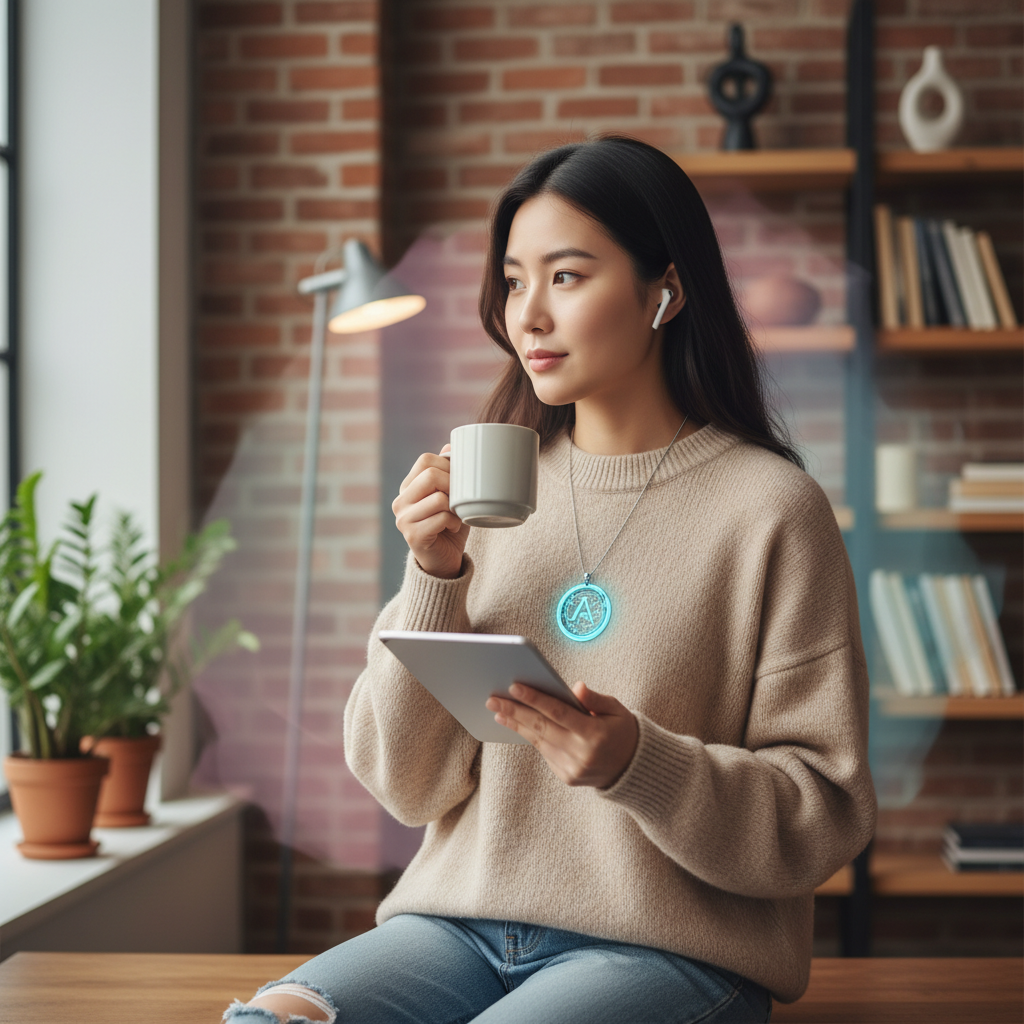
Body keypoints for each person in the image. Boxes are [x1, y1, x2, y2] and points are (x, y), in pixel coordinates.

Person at [223, 134, 876, 1024]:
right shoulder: (490, 489)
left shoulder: (771, 509)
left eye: (566, 277)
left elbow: (822, 812)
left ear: (665, 291)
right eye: (515, 280)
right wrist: (433, 574)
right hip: (457, 927)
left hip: (670, 946)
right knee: (266, 1020)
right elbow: (405, 784)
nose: (528, 314)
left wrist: (640, 765)